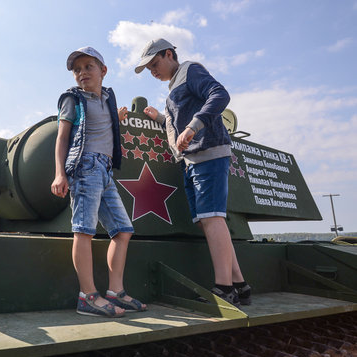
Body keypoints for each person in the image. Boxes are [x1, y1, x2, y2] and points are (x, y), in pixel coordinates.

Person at [135, 38, 251, 306]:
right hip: (191, 159)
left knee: (212, 219)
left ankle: (224, 288)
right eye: (149, 68)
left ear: (169, 54)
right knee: (208, 220)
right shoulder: (173, 88)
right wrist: (162, 119)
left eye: (155, 64)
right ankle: (240, 285)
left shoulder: (190, 70)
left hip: (207, 152)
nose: (153, 71)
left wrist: (193, 128)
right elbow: (180, 120)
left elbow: (219, 95)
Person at [51, 46, 147, 317]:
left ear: (103, 71)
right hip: (84, 167)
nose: (82, 73)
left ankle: (115, 292)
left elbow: (103, 127)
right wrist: (60, 173)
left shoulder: (107, 99)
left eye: (88, 67)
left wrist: (116, 120)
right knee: (84, 230)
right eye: (77, 69)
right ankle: (88, 296)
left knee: (123, 230)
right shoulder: (72, 99)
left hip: (105, 170)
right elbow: (62, 138)